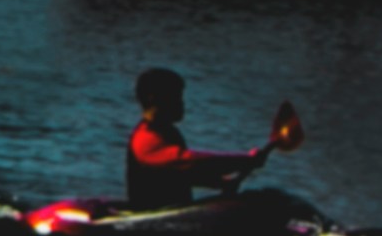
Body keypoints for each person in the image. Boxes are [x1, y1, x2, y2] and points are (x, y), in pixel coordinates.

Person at [123, 64, 301, 211]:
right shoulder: (145, 138)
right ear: (153, 99)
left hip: (172, 212)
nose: (182, 104)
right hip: (151, 218)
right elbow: (187, 162)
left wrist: (221, 183)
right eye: (176, 97)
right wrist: (244, 161)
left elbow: (179, 175)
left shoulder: (169, 132)